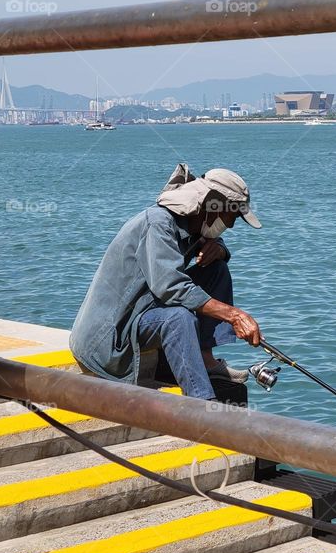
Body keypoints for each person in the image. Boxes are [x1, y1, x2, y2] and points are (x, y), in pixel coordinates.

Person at [70, 164, 262, 401]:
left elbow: (207, 252)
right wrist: (235, 316)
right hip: (112, 333)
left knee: (217, 270)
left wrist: (219, 249)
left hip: (144, 309)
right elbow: (171, 287)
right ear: (212, 207)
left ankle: (205, 360)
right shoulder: (158, 224)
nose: (231, 225)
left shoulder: (193, 225)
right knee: (179, 318)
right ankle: (203, 404)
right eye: (230, 217)